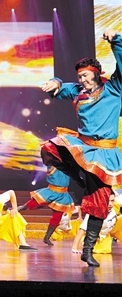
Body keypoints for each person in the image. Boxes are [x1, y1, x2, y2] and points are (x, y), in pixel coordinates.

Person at [40, 29, 122, 267]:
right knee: (50, 147)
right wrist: (53, 82)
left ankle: (88, 250)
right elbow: (61, 86)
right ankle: (83, 178)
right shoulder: (77, 91)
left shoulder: (113, 88)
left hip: (106, 155)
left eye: (86, 76)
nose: (83, 80)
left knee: (99, 202)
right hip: (84, 148)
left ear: (97, 74)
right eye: (80, 77)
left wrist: (115, 41)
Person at [17, 166, 75, 246]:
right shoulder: (53, 164)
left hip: (63, 195)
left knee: (56, 218)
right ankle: (14, 211)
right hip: (51, 191)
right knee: (31, 204)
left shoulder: (68, 165)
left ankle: (46, 238)